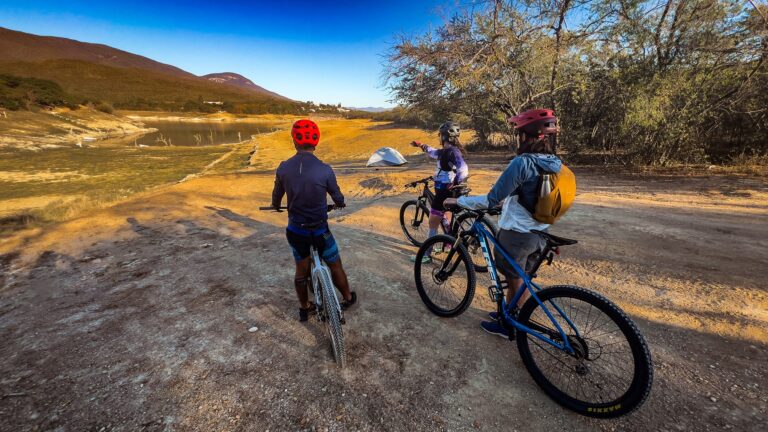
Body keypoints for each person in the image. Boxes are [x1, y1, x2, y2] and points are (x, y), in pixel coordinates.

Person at [444, 109, 563, 339]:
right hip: (540, 231)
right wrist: (506, 204)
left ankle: (510, 325)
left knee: (513, 276)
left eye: (519, 134)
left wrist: (457, 200)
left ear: (527, 137)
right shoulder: (554, 162)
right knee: (523, 276)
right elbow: (534, 194)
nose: (518, 139)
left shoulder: (522, 163)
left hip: (518, 234)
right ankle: (513, 314)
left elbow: (490, 199)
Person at [271, 119, 357, 321]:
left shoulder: (283, 168)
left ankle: (304, 307)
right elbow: (337, 197)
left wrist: (276, 206)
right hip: (320, 231)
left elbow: (276, 196)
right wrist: (340, 203)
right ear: (316, 142)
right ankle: (347, 297)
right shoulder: (325, 169)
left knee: (301, 271)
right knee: (335, 265)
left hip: (297, 231)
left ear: (294, 140)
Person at [409, 121, 469, 263]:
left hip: (444, 192)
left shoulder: (451, 152)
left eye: (440, 135)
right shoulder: (446, 151)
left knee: (432, 223)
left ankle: (426, 254)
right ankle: (448, 244)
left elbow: (463, 168)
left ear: (443, 137)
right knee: (445, 218)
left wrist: (457, 183)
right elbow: (433, 152)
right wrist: (421, 145)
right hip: (445, 191)